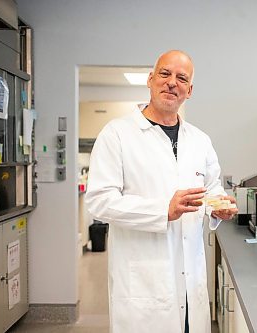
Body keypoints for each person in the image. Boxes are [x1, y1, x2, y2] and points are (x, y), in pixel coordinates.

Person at [85, 50, 237, 333]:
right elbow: (99, 200)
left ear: (189, 90)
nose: (172, 83)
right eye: (165, 74)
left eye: (182, 78)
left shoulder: (200, 140)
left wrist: (217, 204)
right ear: (151, 79)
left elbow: (211, 186)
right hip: (144, 283)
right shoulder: (117, 134)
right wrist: (162, 211)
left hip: (191, 283)